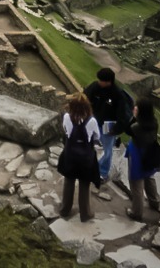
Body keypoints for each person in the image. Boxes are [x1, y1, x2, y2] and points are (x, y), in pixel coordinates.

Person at [57, 92, 101, 222]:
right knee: (84, 183)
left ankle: (65, 210)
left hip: (70, 154)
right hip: (85, 157)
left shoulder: (66, 117)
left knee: (69, 181)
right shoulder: (91, 120)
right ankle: (85, 213)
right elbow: (97, 136)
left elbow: (65, 131)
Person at [84, 67, 133, 181]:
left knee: (107, 150)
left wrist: (116, 130)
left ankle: (102, 173)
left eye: (101, 80)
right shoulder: (95, 87)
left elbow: (123, 115)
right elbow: (85, 98)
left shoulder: (118, 94)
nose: (98, 81)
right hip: (93, 121)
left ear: (108, 82)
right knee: (87, 144)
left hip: (109, 125)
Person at [124, 98, 160, 220]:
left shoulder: (137, 127)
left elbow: (127, 129)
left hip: (138, 155)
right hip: (151, 153)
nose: (135, 108)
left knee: (136, 185)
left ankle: (136, 212)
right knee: (149, 177)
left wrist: (134, 116)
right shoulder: (154, 122)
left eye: (137, 108)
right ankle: (155, 202)